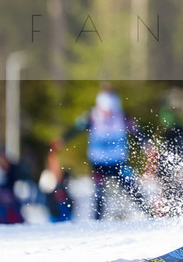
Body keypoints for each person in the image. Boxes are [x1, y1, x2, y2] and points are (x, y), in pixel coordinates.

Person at [54, 84, 149, 220]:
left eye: (111, 111)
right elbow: (76, 128)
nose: (108, 115)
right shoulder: (92, 116)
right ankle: (97, 221)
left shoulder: (122, 117)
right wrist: (62, 140)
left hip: (118, 161)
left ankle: (148, 213)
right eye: (105, 111)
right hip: (99, 163)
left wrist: (146, 144)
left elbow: (136, 131)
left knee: (131, 187)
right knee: (99, 193)